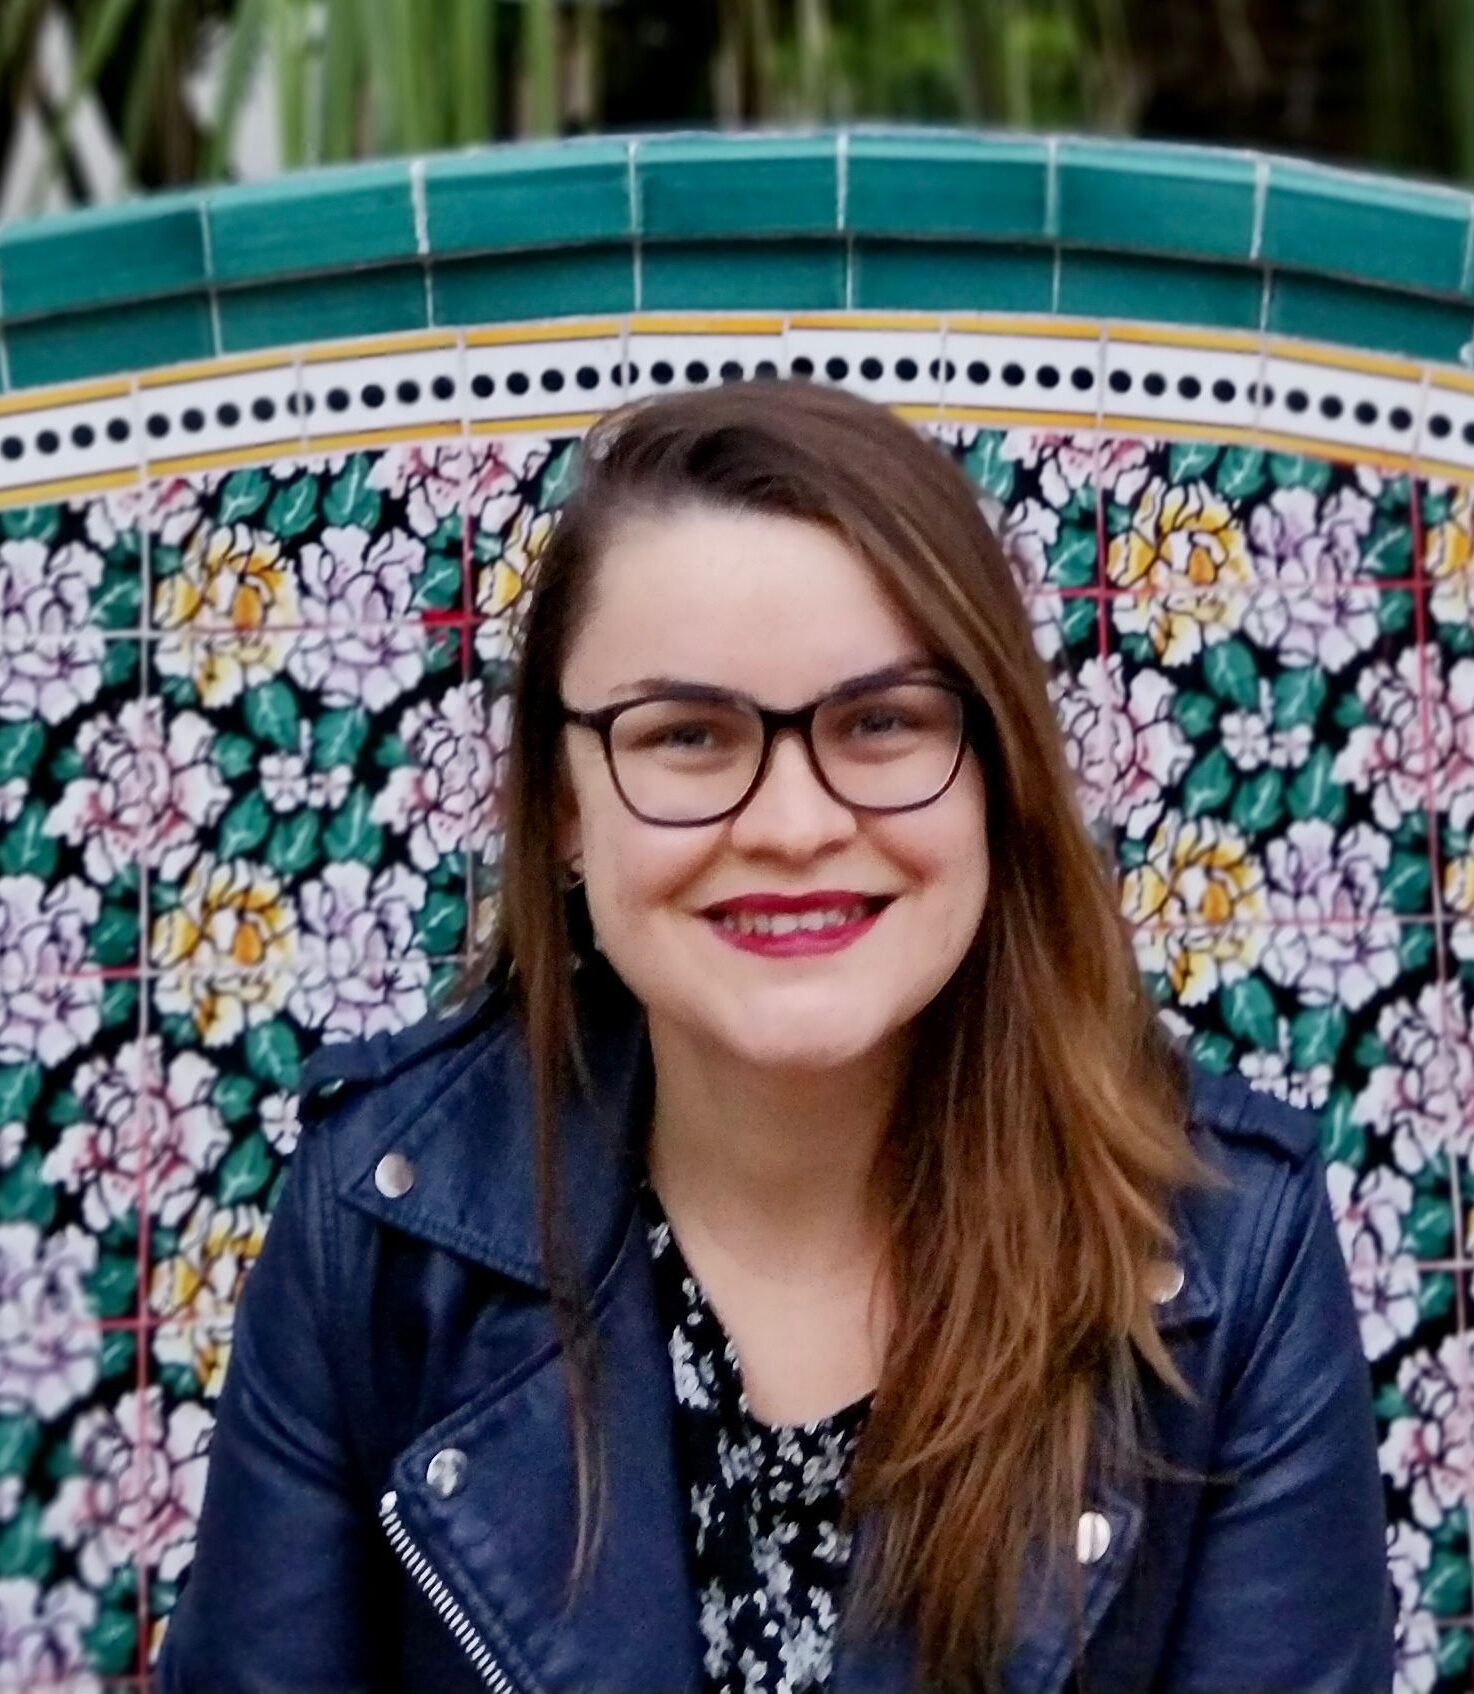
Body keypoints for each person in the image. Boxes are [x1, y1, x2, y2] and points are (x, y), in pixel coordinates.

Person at [154, 377, 1395, 1694]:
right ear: (566, 808)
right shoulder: (382, 1219)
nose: (795, 824)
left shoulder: (1223, 1248)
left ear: (997, 771)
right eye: (688, 734)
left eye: (881, 722)